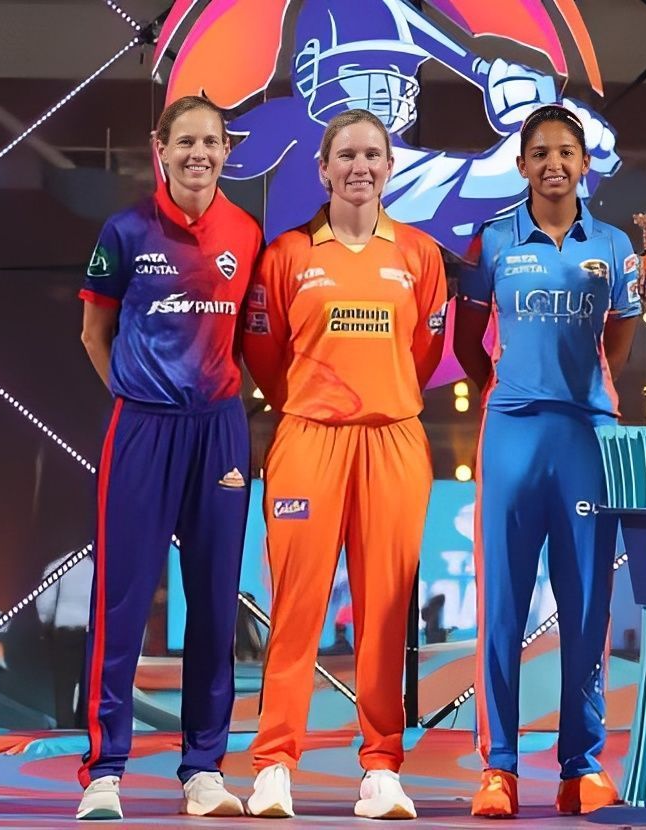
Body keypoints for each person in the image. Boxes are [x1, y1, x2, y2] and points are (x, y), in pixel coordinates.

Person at [242, 108, 447, 820]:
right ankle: (274, 764)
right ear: (323, 169)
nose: (361, 166)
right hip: (308, 438)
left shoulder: (419, 255)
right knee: (296, 605)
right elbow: (267, 358)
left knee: (386, 611)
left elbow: (421, 353)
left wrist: (377, 400)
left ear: (390, 168)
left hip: (393, 439)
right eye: (347, 156)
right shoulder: (287, 254)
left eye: (373, 155)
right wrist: (313, 403)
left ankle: (382, 768)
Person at [75, 95, 261, 820]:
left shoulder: (246, 233)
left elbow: (252, 337)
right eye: (185, 141)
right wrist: (137, 395)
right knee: (121, 600)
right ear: (161, 146)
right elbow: (95, 334)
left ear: (225, 150)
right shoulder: (124, 231)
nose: (198, 155)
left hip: (219, 430)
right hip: (142, 429)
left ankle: (204, 771)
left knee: (215, 602)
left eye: (210, 142)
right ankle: (105, 771)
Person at [452, 103, 640, 818]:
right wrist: (511, 387)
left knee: (588, 606)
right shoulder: (493, 242)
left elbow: (618, 343)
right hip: (512, 434)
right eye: (541, 153)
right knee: (502, 607)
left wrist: (579, 391)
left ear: (584, 164)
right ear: (522, 163)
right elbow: (470, 344)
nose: (555, 163)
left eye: (568, 152)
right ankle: (498, 769)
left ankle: (580, 765)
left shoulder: (617, 246)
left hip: (587, 437)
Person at [34, 553, 94, 729]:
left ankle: (65, 729)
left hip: (65, 632)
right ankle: (86, 729)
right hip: (93, 633)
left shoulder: (60, 565)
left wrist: (46, 623)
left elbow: (44, 601)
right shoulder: (106, 568)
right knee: (90, 684)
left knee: (64, 687)